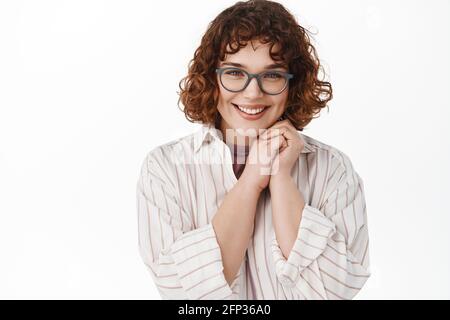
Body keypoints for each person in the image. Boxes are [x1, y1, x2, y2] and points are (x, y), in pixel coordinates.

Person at [136, 0, 370, 300]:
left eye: (272, 75)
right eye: (235, 72)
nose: (252, 92)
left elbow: (335, 291)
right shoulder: (165, 168)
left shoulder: (332, 168)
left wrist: (282, 179)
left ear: (292, 84)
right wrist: (251, 180)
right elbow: (185, 295)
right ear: (212, 78)